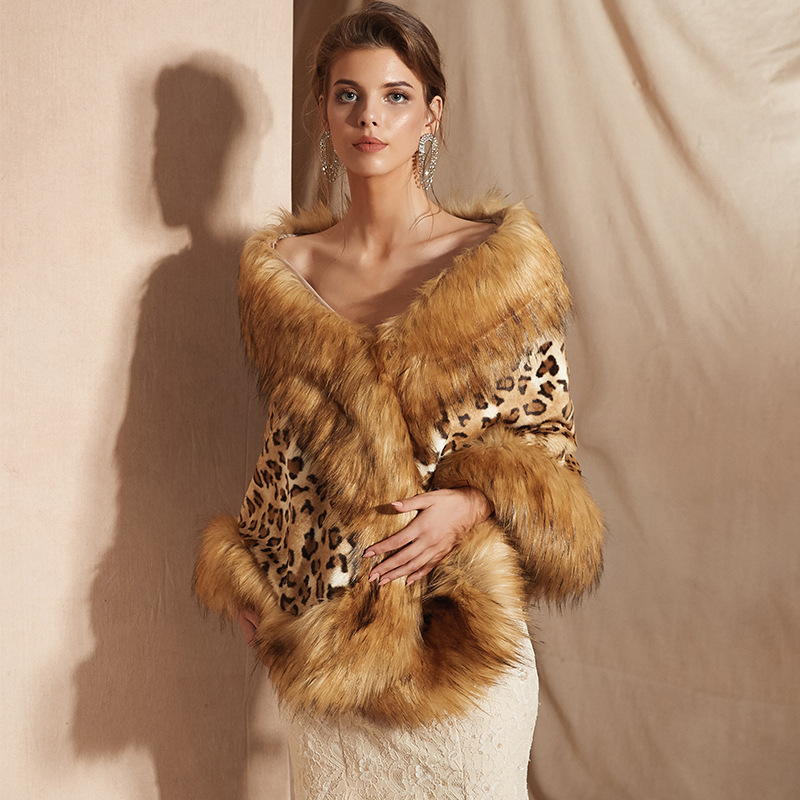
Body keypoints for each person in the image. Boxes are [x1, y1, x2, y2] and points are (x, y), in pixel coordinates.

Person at [194, 3, 604, 797]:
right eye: (347, 95)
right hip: (330, 648)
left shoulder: (499, 267)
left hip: (461, 645)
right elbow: (288, 450)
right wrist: (251, 571)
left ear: (431, 114)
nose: (369, 117)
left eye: (395, 96)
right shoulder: (283, 273)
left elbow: (549, 447)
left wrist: (472, 504)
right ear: (323, 110)